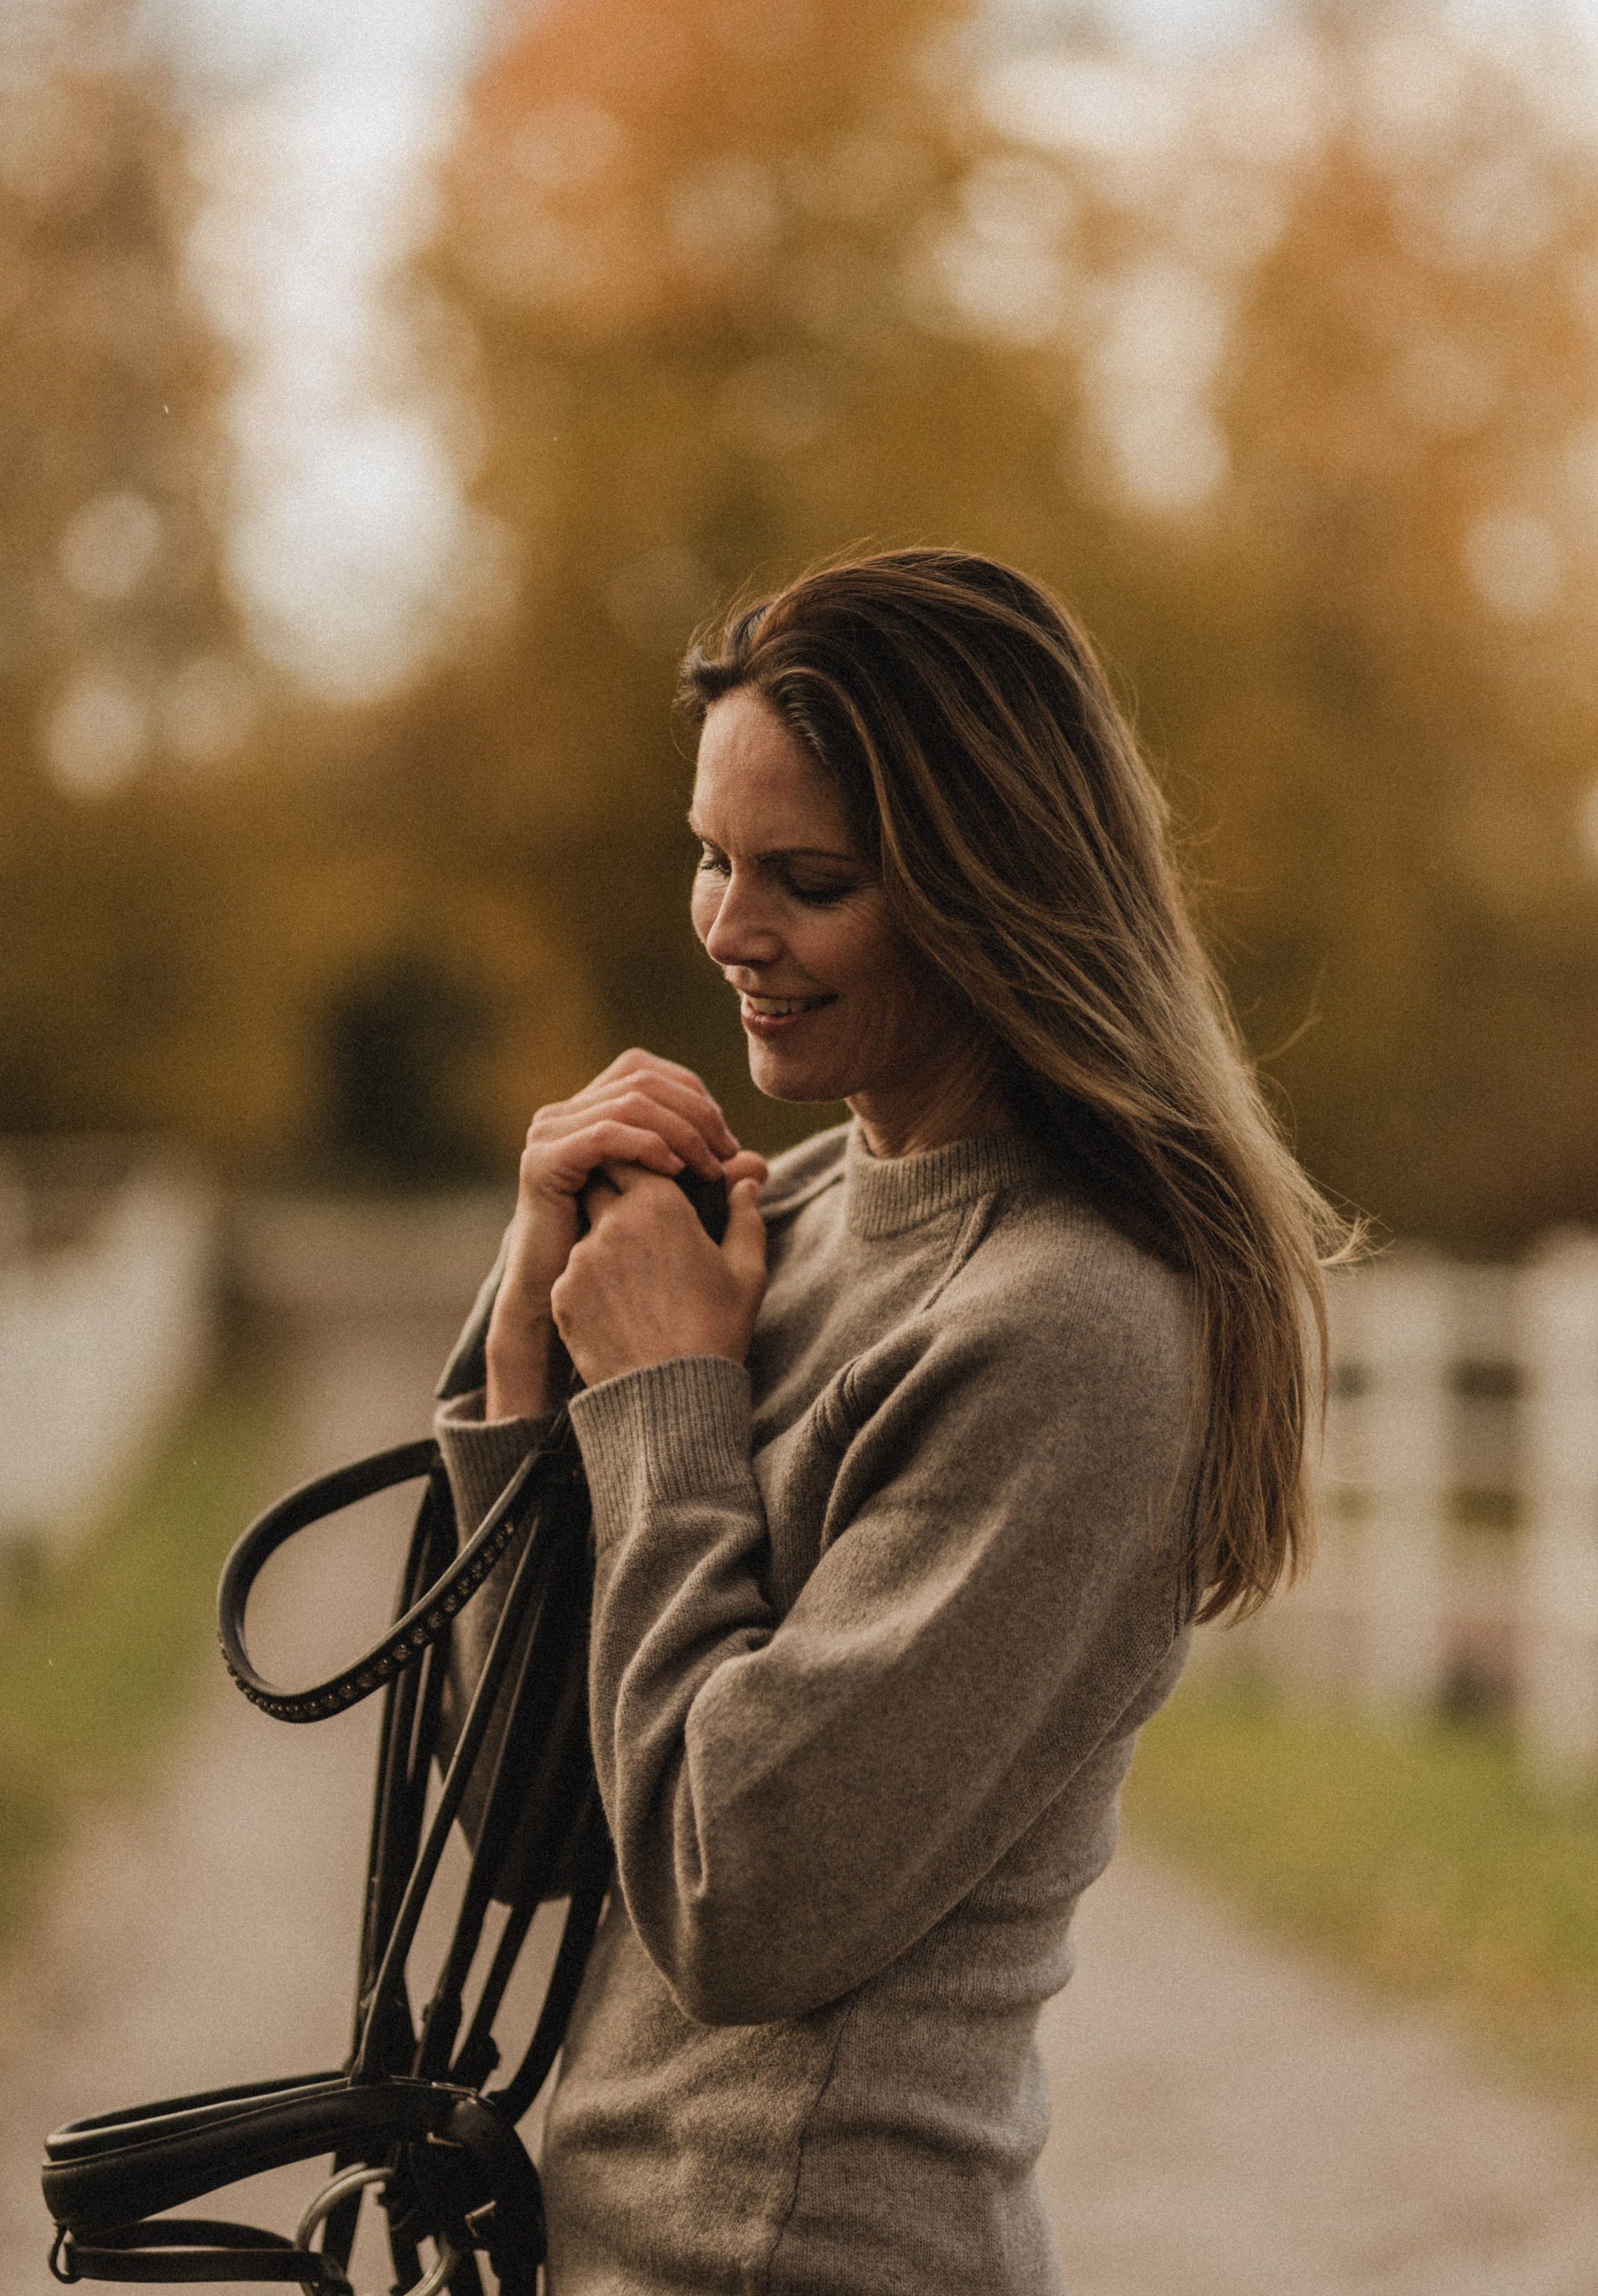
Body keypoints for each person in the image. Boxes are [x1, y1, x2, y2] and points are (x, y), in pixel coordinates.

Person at [433, 549, 1343, 2295]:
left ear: (986, 889)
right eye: (714, 856)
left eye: (811, 880)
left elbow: (739, 1903)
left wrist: (672, 1399)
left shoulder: (1075, 1326)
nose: (728, 928)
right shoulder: (803, 1214)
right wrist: (525, 1352)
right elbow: (548, 1821)